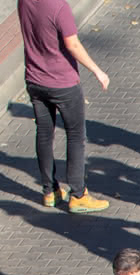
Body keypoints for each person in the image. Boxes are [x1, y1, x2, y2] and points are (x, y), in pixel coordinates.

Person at [20, 0, 111, 212]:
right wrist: (98, 71)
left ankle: (49, 191)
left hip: (34, 80)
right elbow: (73, 45)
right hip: (63, 83)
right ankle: (78, 194)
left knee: (44, 133)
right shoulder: (59, 7)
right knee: (76, 134)